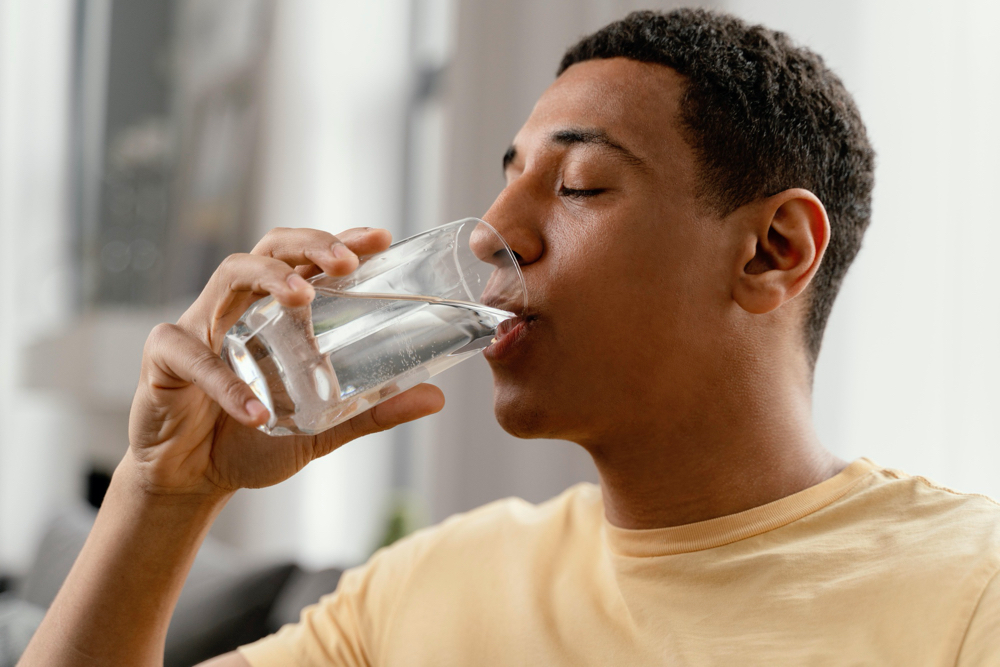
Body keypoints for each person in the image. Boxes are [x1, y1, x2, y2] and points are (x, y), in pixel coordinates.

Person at [20, 8, 1000, 666]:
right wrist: (163, 491)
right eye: (506, 178)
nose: (498, 233)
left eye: (577, 187)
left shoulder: (967, 594)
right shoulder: (425, 591)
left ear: (770, 252)